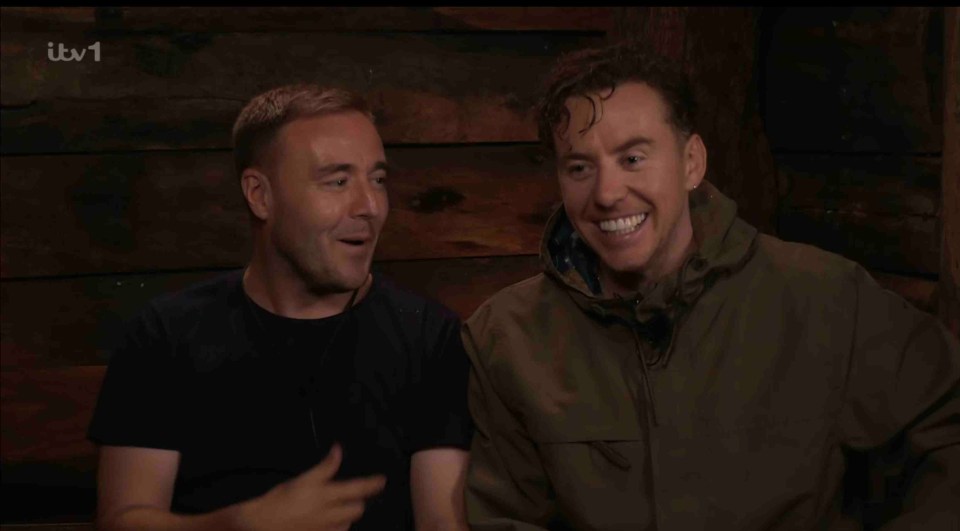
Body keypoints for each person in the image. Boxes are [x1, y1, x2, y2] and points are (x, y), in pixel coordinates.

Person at [463, 42, 959, 530]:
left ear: (692, 162)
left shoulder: (827, 298)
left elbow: (948, 429)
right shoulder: (508, 338)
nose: (608, 193)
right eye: (579, 168)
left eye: (633, 158)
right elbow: (505, 518)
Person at [88, 85, 473, 531]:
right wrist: (241, 525)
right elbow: (121, 521)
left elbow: (442, 524)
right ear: (259, 195)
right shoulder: (165, 334)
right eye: (338, 180)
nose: (370, 206)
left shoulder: (430, 336)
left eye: (378, 179)